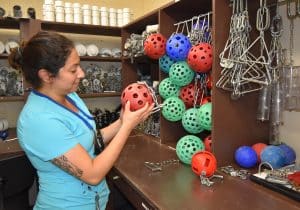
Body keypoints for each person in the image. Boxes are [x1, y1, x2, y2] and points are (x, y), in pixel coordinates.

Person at [8, 31, 154, 210]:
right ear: (46, 76)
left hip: (94, 202)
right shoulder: (38, 120)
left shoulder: (70, 95)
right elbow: (92, 174)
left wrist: (123, 121)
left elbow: (87, 138)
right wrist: (127, 127)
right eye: (73, 69)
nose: (82, 74)